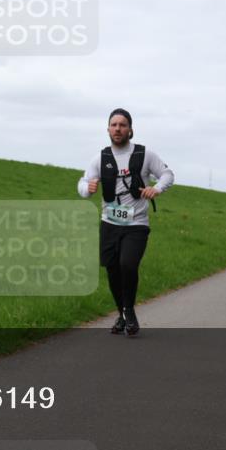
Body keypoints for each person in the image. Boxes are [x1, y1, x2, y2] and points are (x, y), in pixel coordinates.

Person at [77, 109, 174, 337]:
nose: (118, 129)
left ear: (130, 129)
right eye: (113, 125)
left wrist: (156, 188)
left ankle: (128, 311)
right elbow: (83, 182)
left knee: (128, 265)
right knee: (112, 270)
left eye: (122, 125)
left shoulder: (145, 154)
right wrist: (87, 189)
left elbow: (167, 174)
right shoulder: (100, 158)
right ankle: (122, 314)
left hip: (136, 223)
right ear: (108, 129)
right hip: (109, 222)